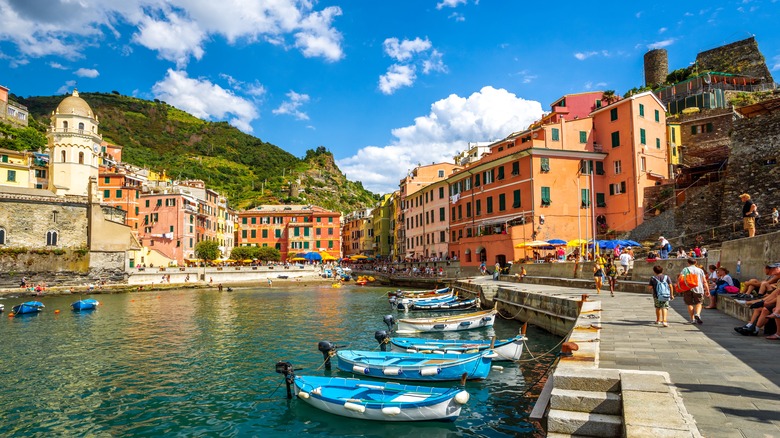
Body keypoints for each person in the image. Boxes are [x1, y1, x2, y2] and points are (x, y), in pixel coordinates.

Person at [679, 258, 710, 324]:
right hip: (698, 288)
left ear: (688, 263)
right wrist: (707, 290)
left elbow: (680, 278)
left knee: (689, 304)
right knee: (699, 303)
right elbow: (704, 281)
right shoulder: (700, 270)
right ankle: (698, 314)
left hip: (688, 288)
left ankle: (692, 319)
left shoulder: (685, 269)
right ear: (695, 262)